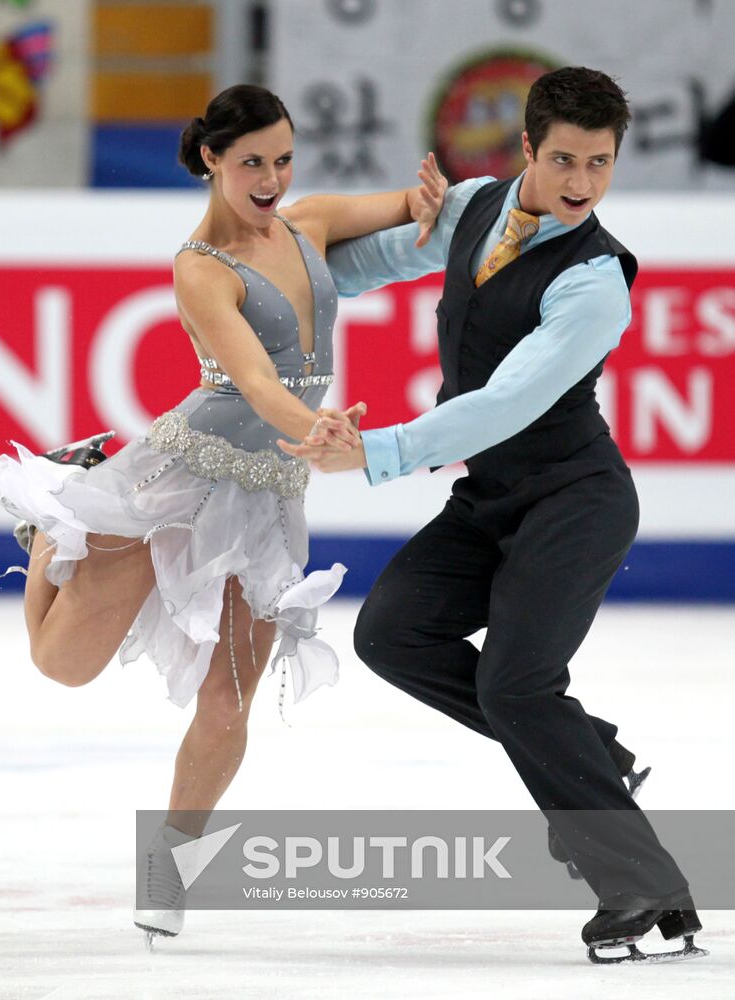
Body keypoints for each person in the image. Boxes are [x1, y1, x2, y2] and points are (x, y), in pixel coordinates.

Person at [0, 84, 447, 947]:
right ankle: (55, 522)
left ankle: (168, 873)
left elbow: (401, 205)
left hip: (270, 498)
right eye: (251, 164)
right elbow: (258, 384)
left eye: (281, 158)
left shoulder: (307, 225)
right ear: (211, 160)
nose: (270, 178)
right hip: (178, 477)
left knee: (230, 697)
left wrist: (426, 202)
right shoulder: (198, 265)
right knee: (64, 667)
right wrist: (320, 428)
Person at [280, 67, 707, 964]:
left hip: (574, 499)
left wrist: (379, 450)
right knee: (393, 632)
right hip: (492, 498)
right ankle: (588, 754)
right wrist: (266, 283)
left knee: (517, 684)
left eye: (599, 163)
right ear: (525, 148)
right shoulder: (474, 205)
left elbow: (505, 401)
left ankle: (642, 884)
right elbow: (366, 266)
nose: (581, 183)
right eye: (563, 160)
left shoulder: (596, 280)